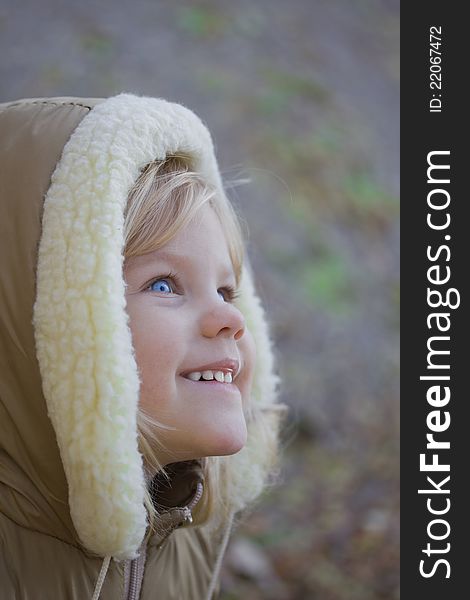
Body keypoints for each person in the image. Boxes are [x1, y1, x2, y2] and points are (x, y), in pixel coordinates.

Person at [0, 93, 284, 599]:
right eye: (164, 285)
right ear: (51, 325)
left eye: (226, 290)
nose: (229, 319)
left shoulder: (186, 533)